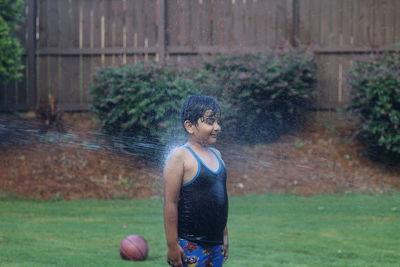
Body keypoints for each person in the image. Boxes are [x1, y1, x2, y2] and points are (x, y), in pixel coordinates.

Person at [163, 95, 229, 267]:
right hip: (190, 244)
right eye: (209, 122)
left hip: (216, 244)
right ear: (190, 126)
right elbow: (170, 203)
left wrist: (224, 235)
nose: (217, 127)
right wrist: (172, 245)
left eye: (217, 121)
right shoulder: (180, 156)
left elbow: (219, 201)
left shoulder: (218, 155)